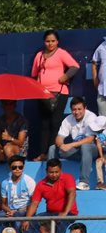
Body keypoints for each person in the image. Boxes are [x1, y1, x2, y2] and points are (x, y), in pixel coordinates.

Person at [31, 30, 80, 160]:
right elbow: (34, 74)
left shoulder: (61, 53)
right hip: (43, 94)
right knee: (44, 124)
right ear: (44, 42)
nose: (50, 43)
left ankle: (52, 153)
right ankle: (42, 153)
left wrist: (65, 76)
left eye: (53, 41)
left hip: (59, 92)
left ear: (57, 42)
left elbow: (75, 66)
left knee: (55, 122)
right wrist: (38, 88)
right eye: (47, 41)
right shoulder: (39, 55)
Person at [50, 97, 104, 190]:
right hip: (77, 150)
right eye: (74, 109)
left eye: (79, 109)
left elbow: (90, 139)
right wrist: (61, 145)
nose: (77, 112)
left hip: (93, 150)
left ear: (85, 108)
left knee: (85, 146)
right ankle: (51, 180)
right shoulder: (68, 119)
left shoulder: (91, 117)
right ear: (71, 110)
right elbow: (59, 138)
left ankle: (84, 182)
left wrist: (70, 145)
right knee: (52, 148)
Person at [24, 159, 78, 233]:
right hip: (50, 214)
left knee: (60, 224)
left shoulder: (68, 178)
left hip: (68, 213)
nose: (54, 175)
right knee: (30, 222)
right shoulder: (41, 184)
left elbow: (72, 194)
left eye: (56, 172)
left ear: (61, 170)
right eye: (51, 172)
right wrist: (27, 219)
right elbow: (35, 203)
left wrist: (64, 213)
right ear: (46, 171)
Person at [0, 157, 37, 233]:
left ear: (23, 167)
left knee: (18, 215)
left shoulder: (29, 181)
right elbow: (3, 204)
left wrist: (17, 211)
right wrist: (9, 211)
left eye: (20, 167)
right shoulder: (5, 183)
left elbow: (33, 203)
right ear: (10, 167)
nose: (17, 169)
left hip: (26, 210)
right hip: (11, 211)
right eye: (14, 167)